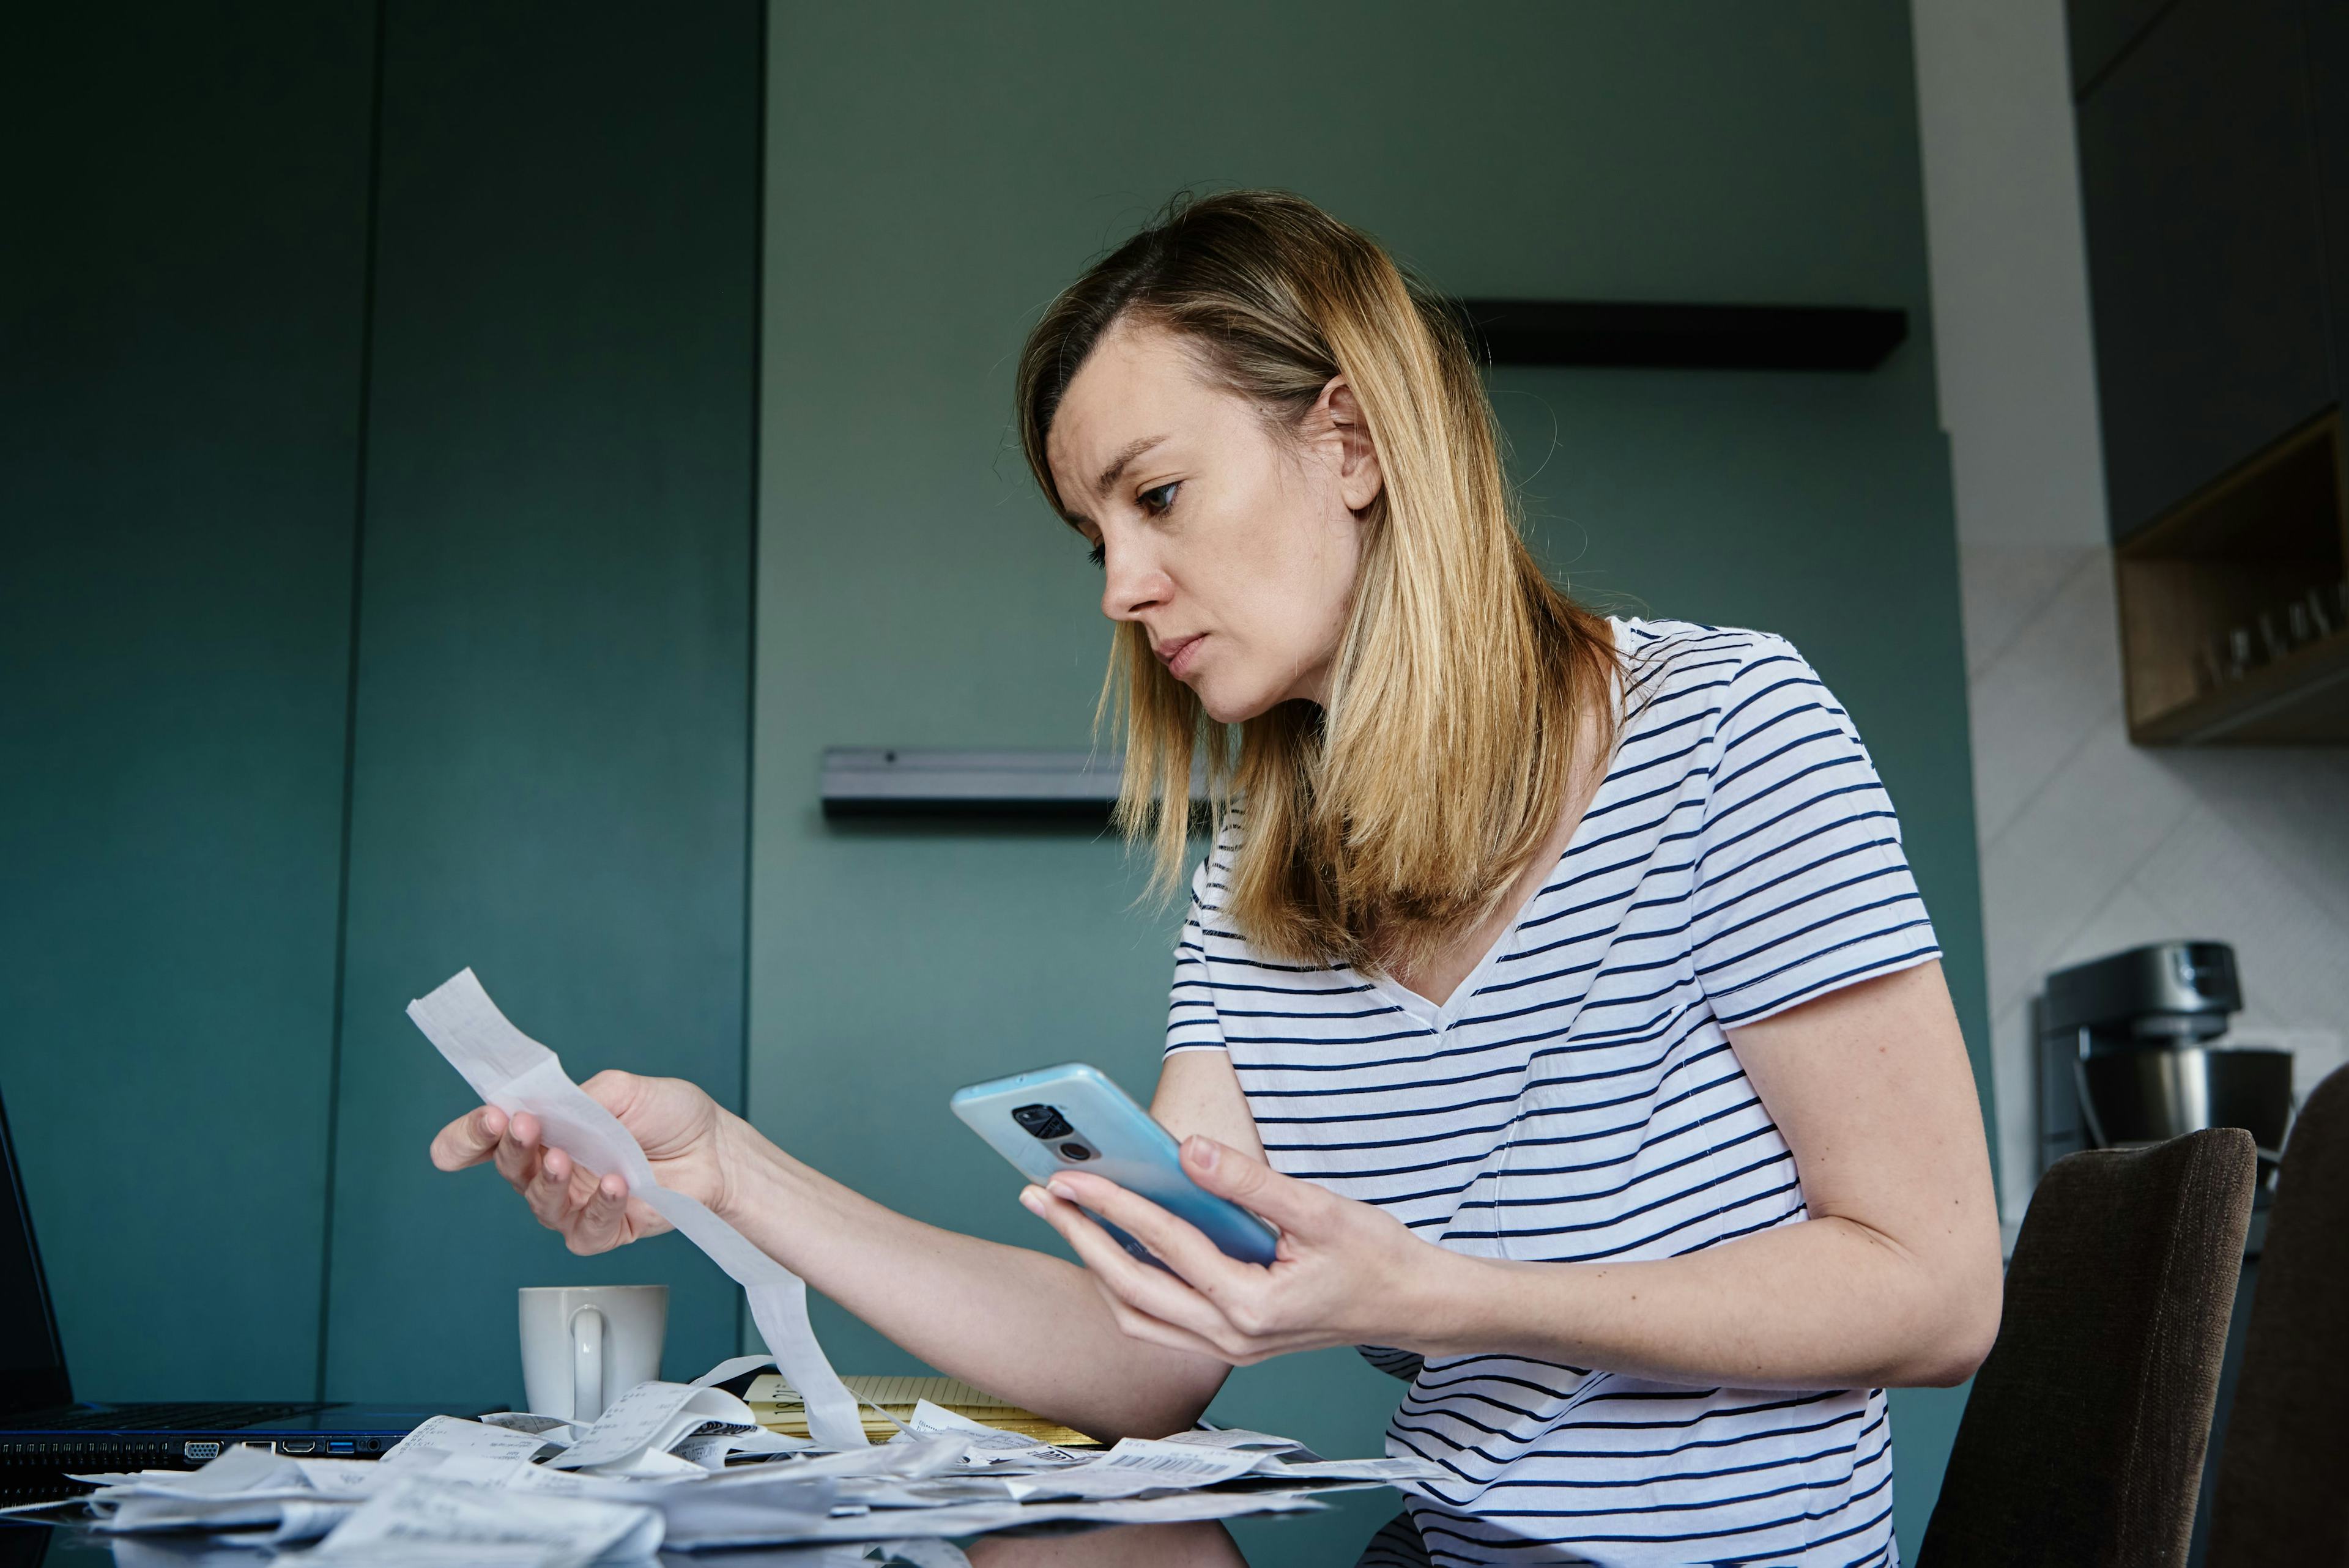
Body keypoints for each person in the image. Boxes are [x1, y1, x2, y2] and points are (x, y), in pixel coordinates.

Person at [430, 191, 2001, 1566]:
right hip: (1441, 1551)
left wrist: (1435, 1294)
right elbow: (1144, 1359)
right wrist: (732, 1174)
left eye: (1156, 494)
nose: (1121, 586)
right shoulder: (1260, 879)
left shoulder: (1726, 730)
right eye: (1091, 533)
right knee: (1054, 1525)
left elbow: (1934, 1293)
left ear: (1353, 443)